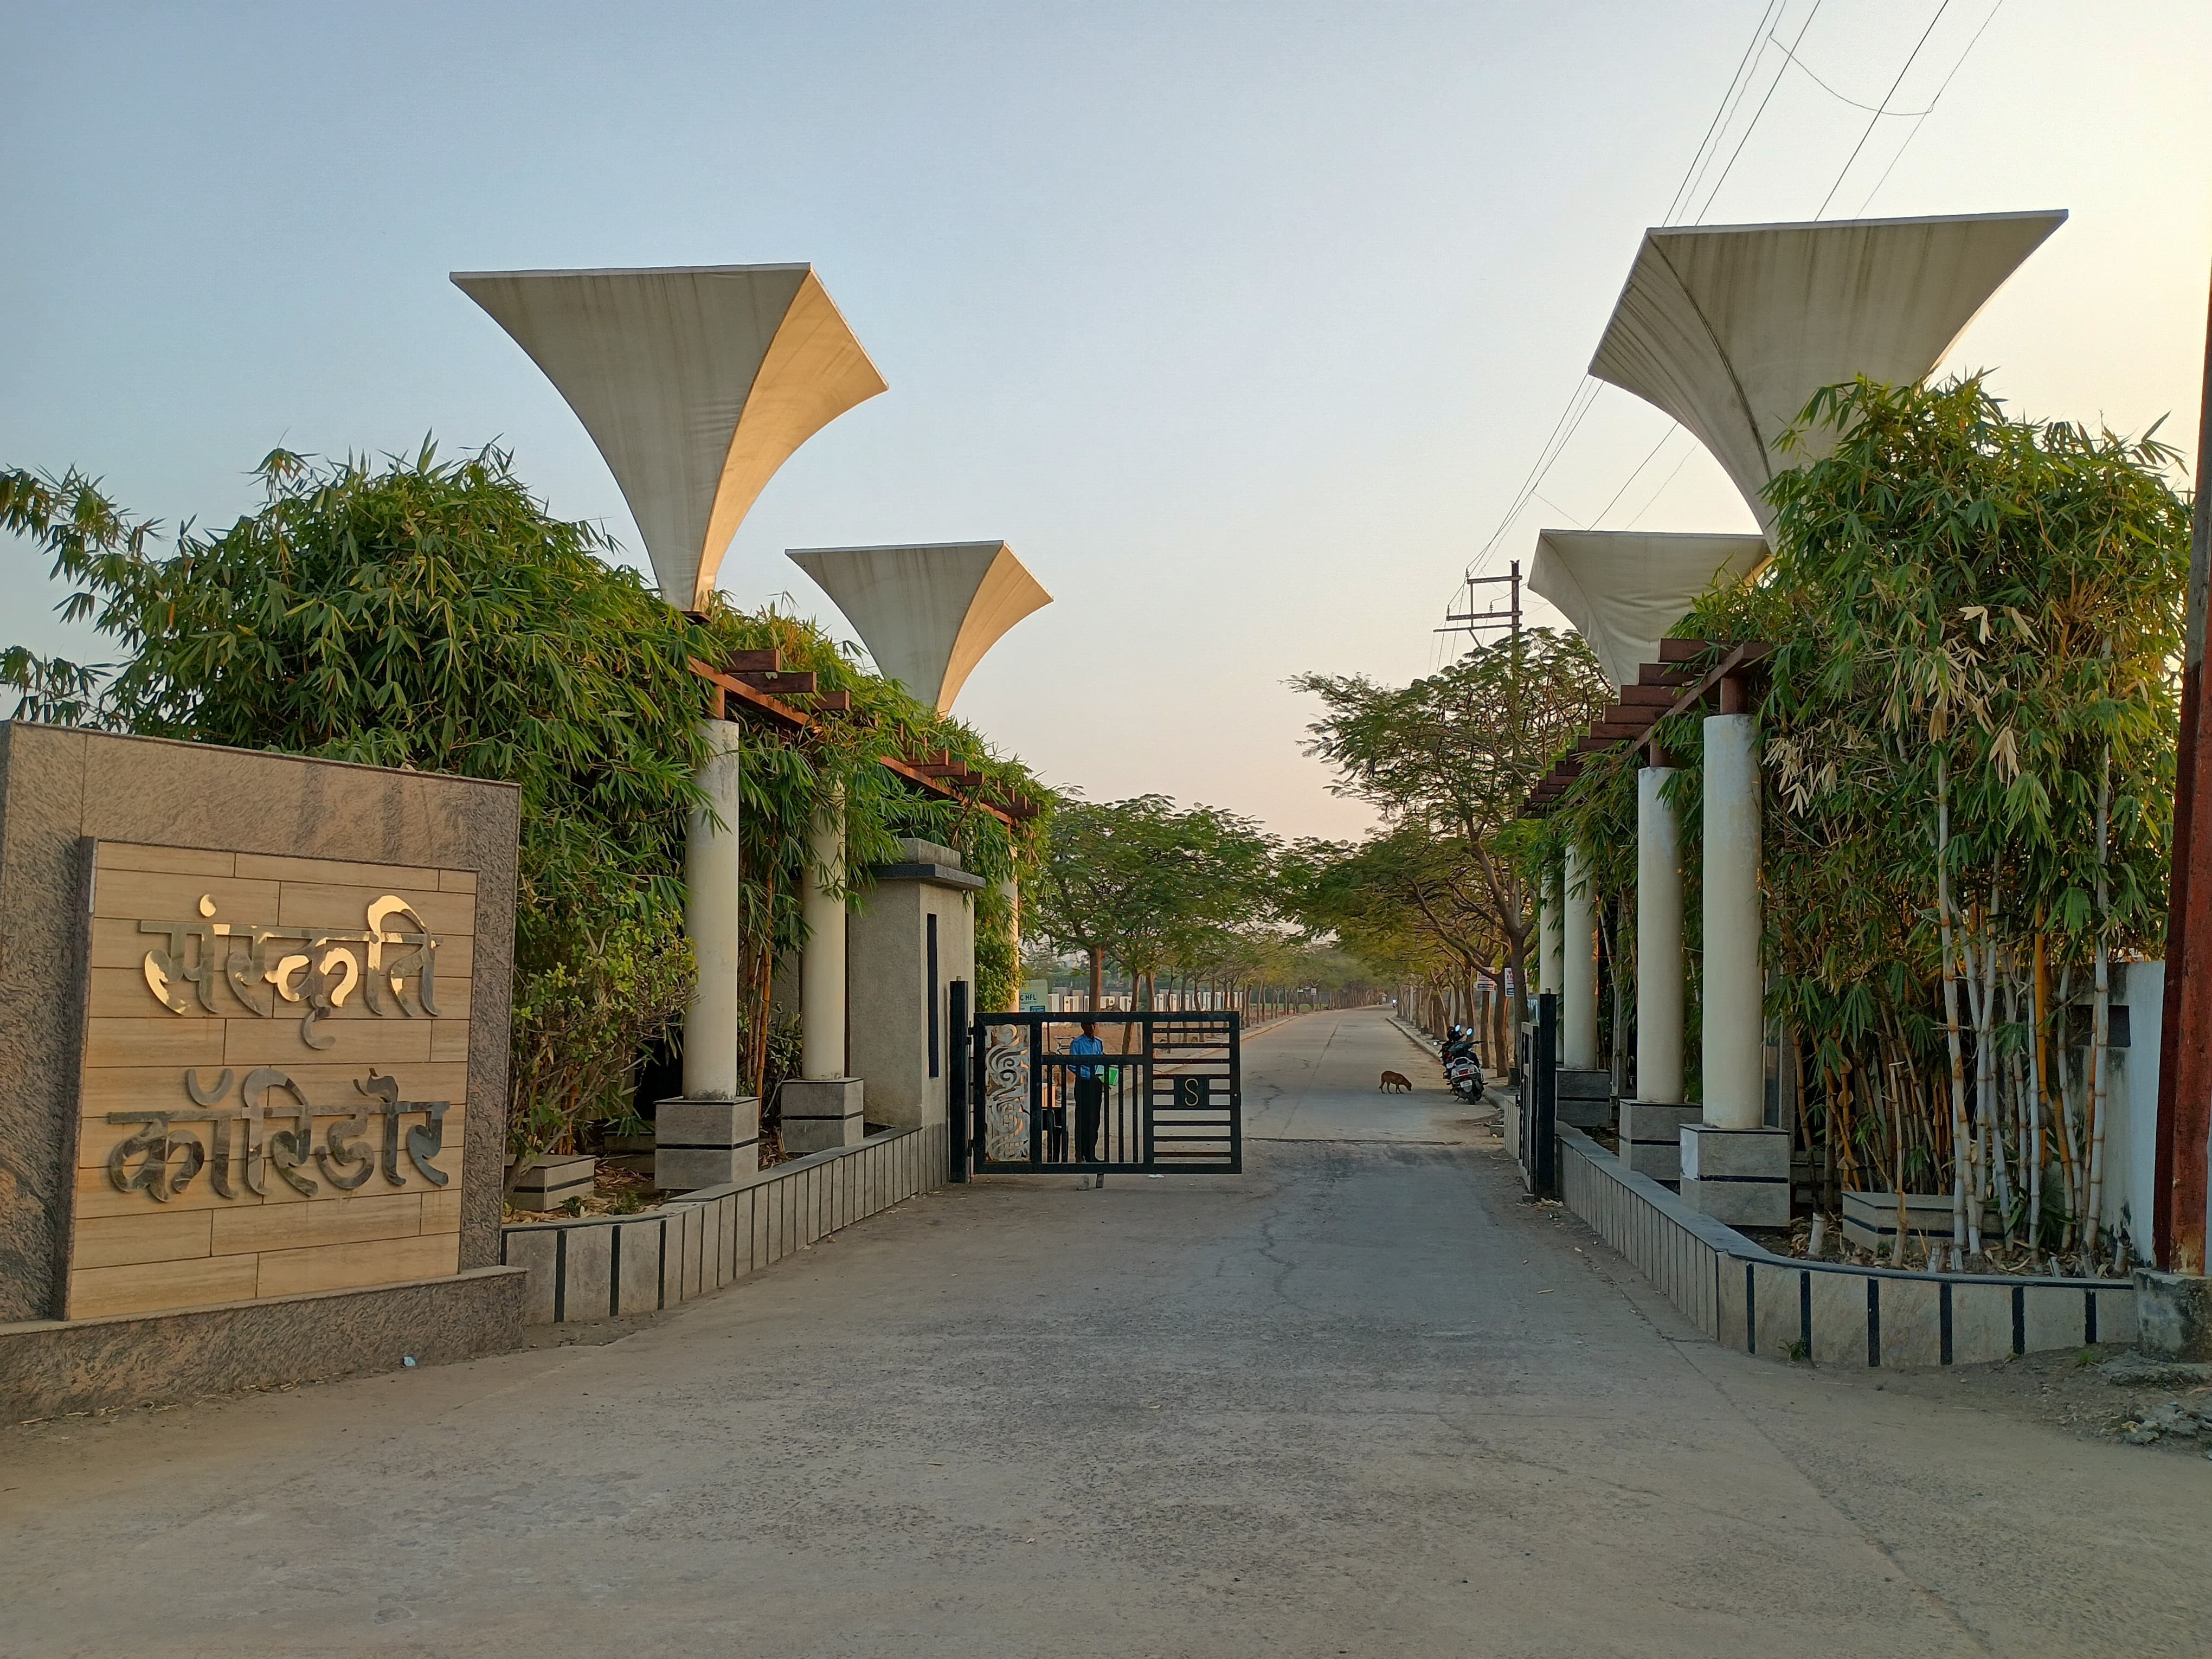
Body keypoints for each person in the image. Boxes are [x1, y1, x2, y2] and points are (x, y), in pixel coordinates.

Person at [1070, 1020, 1107, 1161]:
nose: (1091, 1028)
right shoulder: (1077, 1044)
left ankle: (1091, 1153)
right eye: (1088, 1025)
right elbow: (1073, 1065)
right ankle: (1080, 1153)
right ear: (1082, 1027)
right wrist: (1087, 1075)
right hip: (1084, 1083)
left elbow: (1101, 1061)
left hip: (1096, 1083)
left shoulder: (1098, 1043)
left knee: (1094, 1119)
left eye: (1093, 1025)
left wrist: (1103, 1076)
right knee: (1082, 1119)